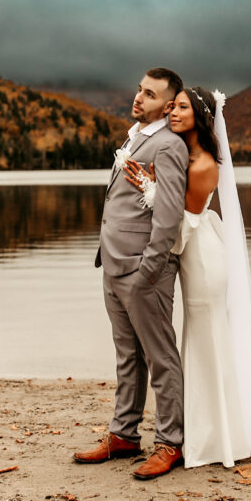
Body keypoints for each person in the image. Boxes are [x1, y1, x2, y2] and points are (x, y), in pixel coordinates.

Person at [123, 86, 251, 468]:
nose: (173, 112)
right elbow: (175, 203)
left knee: (206, 340)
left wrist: (148, 189)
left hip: (202, 260)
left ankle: (216, 438)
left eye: (182, 107)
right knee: (199, 340)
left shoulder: (204, 164)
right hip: (194, 253)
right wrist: (155, 184)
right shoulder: (184, 153)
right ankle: (206, 433)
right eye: (173, 106)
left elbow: (180, 221)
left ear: (200, 117)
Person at [74, 67, 189, 480]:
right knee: (128, 356)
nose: (139, 98)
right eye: (140, 90)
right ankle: (123, 435)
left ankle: (169, 443)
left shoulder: (169, 146)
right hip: (114, 262)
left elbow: (170, 214)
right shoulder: (135, 136)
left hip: (144, 269)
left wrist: (150, 269)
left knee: (160, 357)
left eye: (151, 95)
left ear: (167, 105)